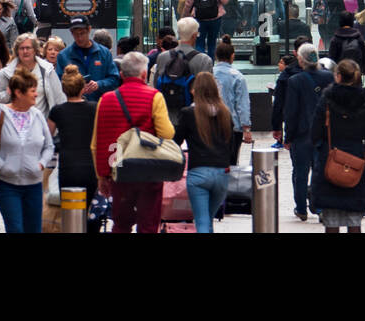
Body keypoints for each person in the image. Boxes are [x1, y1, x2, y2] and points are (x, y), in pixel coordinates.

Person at [91, 51, 175, 233]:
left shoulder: (106, 99)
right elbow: (167, 134)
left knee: (121, 224)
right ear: (144, 74)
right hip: (149, 170)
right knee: (148, 225)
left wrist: (102, 176)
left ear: (121, 75)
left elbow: (97, 143)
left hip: (120, 169)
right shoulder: (155, 97)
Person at [0, 67, 56, 233]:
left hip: (34, 185)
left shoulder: (37, 115)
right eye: (33, 91)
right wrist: (0, 163)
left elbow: (49, 146)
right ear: (19, 93)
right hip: (7, 185)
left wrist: (41, 164)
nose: (36, 94)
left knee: (34, 230)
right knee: (15, 229)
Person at [309, 58, 365, 233]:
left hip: (329, 159)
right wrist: (362, 156)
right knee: (354, 217)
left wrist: (323, 150)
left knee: (331, 219)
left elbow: (315, 132)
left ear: (338, 76)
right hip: (355, 160)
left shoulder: (326, 99)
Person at [174, 73, 235, 233]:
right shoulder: (225, 113)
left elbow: (175, 141)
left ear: (195, 91)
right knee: (208, 218)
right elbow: (232, 145)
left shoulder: (188, 113)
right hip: (222, 172)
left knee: (201, 221)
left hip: (198, 172)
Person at [283, 44, 334, 221]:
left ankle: (301, 208)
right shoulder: (329, 77)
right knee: (321, 171)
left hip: (302, 133)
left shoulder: (295, 81)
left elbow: (291, 112)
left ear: (300, 59)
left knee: (300, 172)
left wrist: (287, 136)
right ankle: (320, 207)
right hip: (324, 133)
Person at [49, 66, 103, 232]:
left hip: (68, 168)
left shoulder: (57, 111)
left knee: (70, 212)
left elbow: (48, 137)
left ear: (63, 89)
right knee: (92, 211)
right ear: (83, 88)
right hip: (91, 168)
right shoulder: (95, 108)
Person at [0, 33, 67, 119]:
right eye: (21, 48)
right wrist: (8, 94)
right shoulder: (6, 73)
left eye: (28, 48)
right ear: (17, 51)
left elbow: (60, 99)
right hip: (13, 126)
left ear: (35, 50)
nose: (25, 51)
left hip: (40, 126)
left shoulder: (47, 70)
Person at [152, 16, 215, 113]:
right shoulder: (204, 60)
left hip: (167, 114)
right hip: (195, 117)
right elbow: (207, 93)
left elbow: (156, 85)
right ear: (194, 36)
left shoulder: (162, 57)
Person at [57, 16, 122, 101]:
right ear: (71, 33)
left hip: (99, 106)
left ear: (89, 29)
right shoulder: (63, 56)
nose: (79, 38)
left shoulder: (104, 53)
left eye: (82, 33)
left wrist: (99, 84)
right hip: (74, 107)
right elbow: (58, 83)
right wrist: (75, 87)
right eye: (76, 34)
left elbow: (114, 79)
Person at [212, 37, 253, 164]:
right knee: (232, 162)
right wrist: (246, 127)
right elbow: (242, 104)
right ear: (232, 56)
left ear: (216, 56)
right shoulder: (238, 77)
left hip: (210, 124)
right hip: (233, 126)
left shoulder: (208, 74)